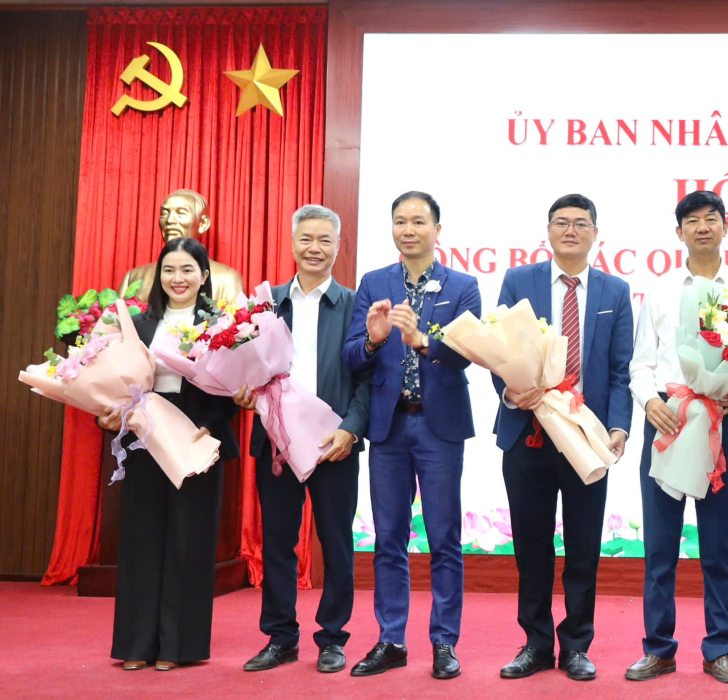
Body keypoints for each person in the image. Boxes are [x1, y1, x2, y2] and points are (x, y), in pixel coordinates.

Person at [626, 190, 728, 685]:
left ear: (726, 227)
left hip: (722, 426)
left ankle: (720, 649)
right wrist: (648, 403)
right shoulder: (660, 292)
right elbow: (640, 364)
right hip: (668, 423)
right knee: (660, 546)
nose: (703, 227)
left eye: (712, 218)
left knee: (718, 546)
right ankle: (658, 648)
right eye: (693, 221)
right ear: (679, 232)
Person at [493, 194, 633, 681]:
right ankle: (535, 643)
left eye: (580, 223)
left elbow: (620, 369)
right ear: (548, 231)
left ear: (595, 233)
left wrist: (618, 426)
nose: (570, 230)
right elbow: (497, 348)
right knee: (531, 547)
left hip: (586, 438)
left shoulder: (615, 291)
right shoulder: (520, 281)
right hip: (527, 433)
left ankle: (576, 644)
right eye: (561, 222)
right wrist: (512, 392)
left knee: (583, 546)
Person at [342, 191, 480, 680]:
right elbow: (351, 357)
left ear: (437, 230)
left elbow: (469, 354)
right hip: (389, 426)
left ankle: (444, 642)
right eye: (400, 221)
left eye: (419, 221)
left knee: (444, 538)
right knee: (388, 539)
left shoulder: (462, 285)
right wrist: (374, 338)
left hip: (438, 427)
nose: (408, 230)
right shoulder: (374, 283)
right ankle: (391, 640)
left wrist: (422, 340)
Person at [237, 205, 370, 674]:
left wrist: (351, 428)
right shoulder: (265, 304)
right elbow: (244, 367)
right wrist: (239, 388)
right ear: (293, 243)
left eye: (325, 240)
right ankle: (281, 637)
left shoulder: (355, 304)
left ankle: (332, 638)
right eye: (306, 239)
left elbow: (368, 378)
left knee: (336, 543)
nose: (315, 248)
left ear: (338, 246)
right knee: (278, 542)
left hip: (334, 441)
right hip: (276, 441)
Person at [102, 237, 239, 671]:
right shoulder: (137, 326)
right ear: (158, 276)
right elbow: (113, 383)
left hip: (197, 436)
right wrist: (108, 412)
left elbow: (234, 388)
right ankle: (137, 643)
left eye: (187, 270)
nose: (177, 278)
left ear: (203, 276)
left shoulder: (222, 326)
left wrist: (211, 424)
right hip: (144, 435)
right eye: (169, 270)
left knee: (188, 540)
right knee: (141, 538)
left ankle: (179, 646)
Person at [119, 189, 244, 303]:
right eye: (164, 213)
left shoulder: (227, 279)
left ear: (203, 224)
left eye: (181, 213)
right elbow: (115, 318)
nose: (169, 220)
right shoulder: (133, 277)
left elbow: (235, 318)